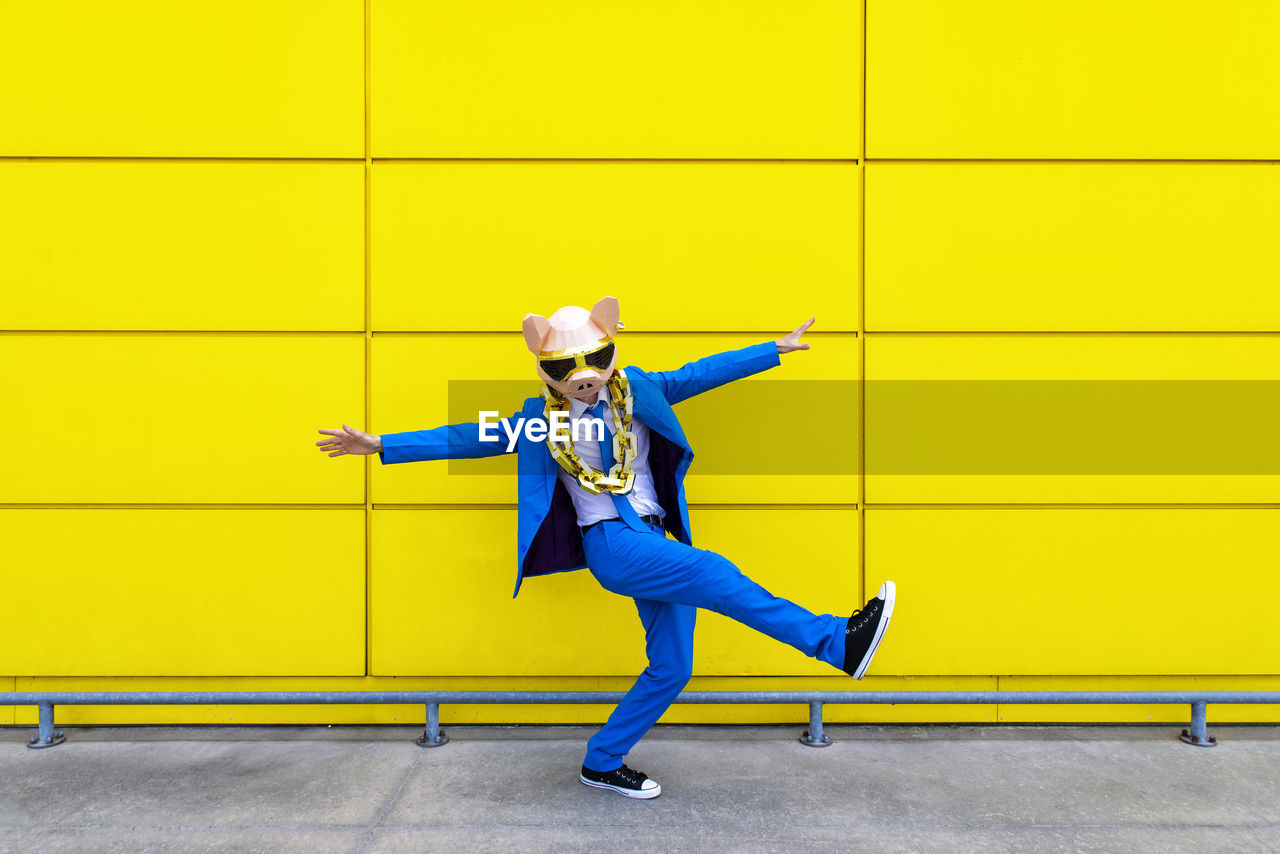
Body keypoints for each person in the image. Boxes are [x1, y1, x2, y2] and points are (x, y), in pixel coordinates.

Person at [317, 297, 896, 799]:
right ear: (546, 370)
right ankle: (836, 643)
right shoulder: (539, 421)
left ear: (610, 350)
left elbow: (701, 372)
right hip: (613, 545)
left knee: (672, 668)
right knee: (716, 573)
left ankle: (602, 761)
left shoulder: (639, 389)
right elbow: (467, 437)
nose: (583, 374)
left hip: (654, 533)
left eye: (593, 359)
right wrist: (382, 444)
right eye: (566, 366)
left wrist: (772, 348)